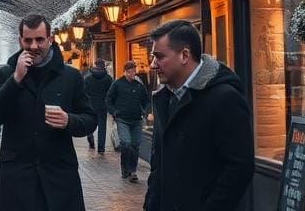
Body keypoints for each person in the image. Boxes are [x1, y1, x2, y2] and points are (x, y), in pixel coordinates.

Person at [0, 13, 97, 211]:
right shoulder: (6, 74)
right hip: (17, 178)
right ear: (20, 41)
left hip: (59, 176)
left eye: (39, 40)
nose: (34, 46)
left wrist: (68, 121)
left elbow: (90, 119)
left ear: (50, 40)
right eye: (28, 40)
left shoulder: (70, 76)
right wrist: (16, 79)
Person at [143, 20, 253, 211]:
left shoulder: (225, 97)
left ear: (184, 55)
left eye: (159, 57)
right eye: (153, 57)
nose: (153, 65)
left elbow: (239, 168)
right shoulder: (163, 98)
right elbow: (158, 164)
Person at [106, 59, 150, 181]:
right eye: (130, 72)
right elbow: (109, 99)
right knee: (126, 143)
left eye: (134, 72)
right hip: (122, 119)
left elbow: (146, 100)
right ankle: (125, 168)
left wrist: (145, 111)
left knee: (135, 145)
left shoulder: (139, 85)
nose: (132, 75)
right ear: (125, 72)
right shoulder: (117, 84)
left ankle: (132, 171)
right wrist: (114, 112)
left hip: (137, 120)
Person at [83, 58, 113, 152]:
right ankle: (101, 148)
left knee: (89, 124)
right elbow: (111, 93)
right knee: (102, 127)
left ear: (95, 65)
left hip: (91, 105)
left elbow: (84, 92)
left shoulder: (87, 78)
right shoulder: (108, 78)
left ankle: (91, 140)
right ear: (103, 66)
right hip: (103, 106)